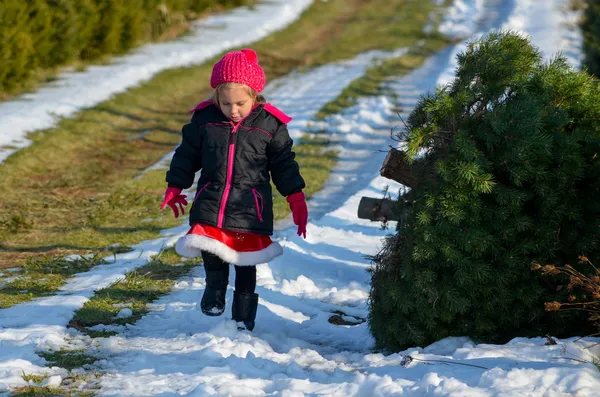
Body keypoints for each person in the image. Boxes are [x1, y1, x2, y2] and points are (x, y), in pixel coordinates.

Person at [160, 48, 308, 331]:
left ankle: (243, 314)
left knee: (244, 261)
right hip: (210, 200)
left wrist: (295, 196)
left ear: (255, 95)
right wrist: (175, 185)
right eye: (225, 103)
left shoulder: (270, 125)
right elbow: (186, 155)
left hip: (250, 207)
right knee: (209, 246)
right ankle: (215, 289)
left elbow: (284, 164)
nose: (233, 110)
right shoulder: (205, 120)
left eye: (240, 103)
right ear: (216, 97)